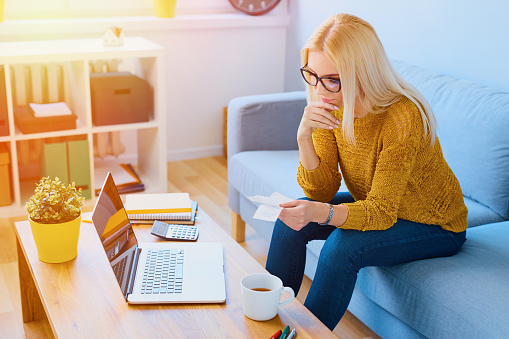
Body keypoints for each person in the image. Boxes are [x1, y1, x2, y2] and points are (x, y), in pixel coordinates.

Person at [265, 13, 468, 331]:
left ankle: (306, 335)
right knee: (290, 220)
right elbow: (321, 192)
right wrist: (304, 137)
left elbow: (382, 213)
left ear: (362, 73)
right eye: (312, 75)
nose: (320, 90)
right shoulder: (330, 103)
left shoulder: (402, 116)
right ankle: (269, 324)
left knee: (341, 246)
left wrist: (322, 213)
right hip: (381, 204)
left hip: (435, 224)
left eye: (332, 79)